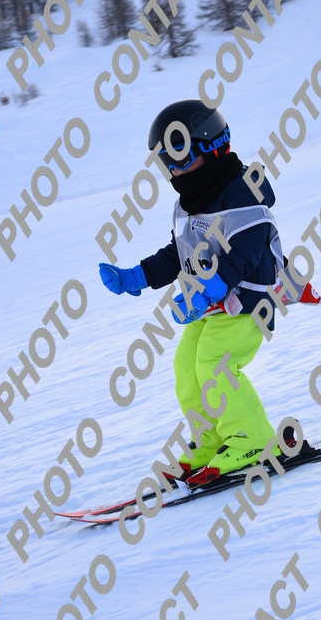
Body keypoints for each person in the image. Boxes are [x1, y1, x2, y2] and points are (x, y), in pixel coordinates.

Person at [98, 99, 290, 487]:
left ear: (213, 147)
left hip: (250, 300)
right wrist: (138, 277)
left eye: (180, 157)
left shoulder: (242, 194)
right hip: (215, 305)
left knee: (215, 364)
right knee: (186, 368)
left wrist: (210, 289)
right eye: (165, 162)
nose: (174, 171)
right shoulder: (191, 204)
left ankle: (252, 440)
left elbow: (247, 252)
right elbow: (178, 253)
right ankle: (212, 440)